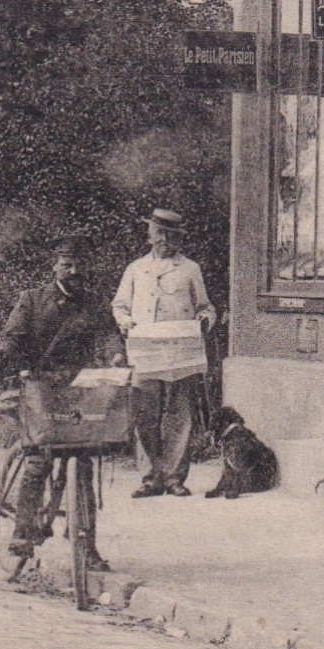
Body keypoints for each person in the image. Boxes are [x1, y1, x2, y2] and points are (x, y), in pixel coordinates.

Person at [0, 236, 123, 568]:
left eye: (79, 265)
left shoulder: (93, 304)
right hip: (38, 388)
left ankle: (86, 546)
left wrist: (116, 354)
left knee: (82, 464)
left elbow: (109, 334)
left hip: (77, 389)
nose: (74, 271)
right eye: (67, 264)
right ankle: (22, 533)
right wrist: (5, 351)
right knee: (38, 459)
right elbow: (12, 334)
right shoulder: (32, 300)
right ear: (55, 266)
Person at [112, 209, 216, 498]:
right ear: (150, 235)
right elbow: (119, 305)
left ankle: (173, 478)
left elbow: (205, 307)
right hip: (145, 352)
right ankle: (150, 478)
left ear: (178, 239)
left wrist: (204, 321)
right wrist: (125, 322)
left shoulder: (189, 269)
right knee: (145, 414)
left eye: (170, 235)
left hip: (180, 352)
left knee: (180, 413)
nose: (164, 240)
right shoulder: (135, 270)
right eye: (159, 234)